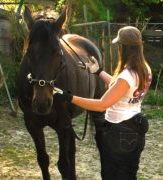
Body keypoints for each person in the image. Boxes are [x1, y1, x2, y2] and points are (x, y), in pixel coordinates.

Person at [53, 26, 152, 180]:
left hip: (119, 132)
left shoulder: (127, 74)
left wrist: (68, 97)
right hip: (134, 127)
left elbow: (102, 104)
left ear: (122, 47)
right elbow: (120, 87)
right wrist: (98, 71)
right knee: (128, 174)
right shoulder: (144, 69)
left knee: (112, 175)